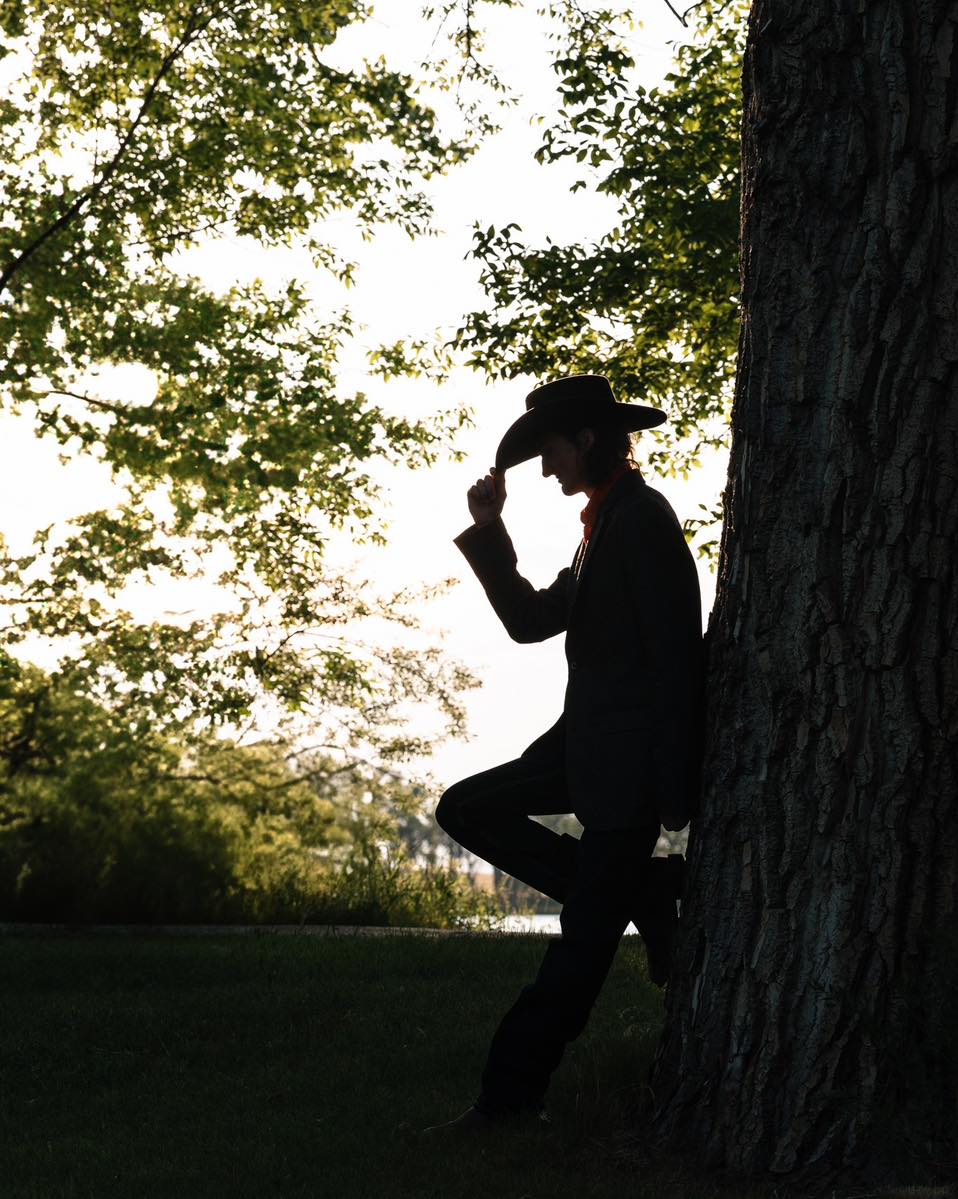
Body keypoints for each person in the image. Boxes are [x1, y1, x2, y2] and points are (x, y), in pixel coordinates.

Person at [424, 374, 705, 1135]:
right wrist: (490, 529)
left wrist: (671, 786)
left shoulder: (640, 520)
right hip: (585, 748)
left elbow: (676, 655)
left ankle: (507, 1100)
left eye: (549, 452)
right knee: (465, 808)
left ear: (585, 439)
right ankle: (648, 891)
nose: (545, 469)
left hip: (626, 769)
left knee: (578, 953)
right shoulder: (601, 525)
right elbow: (528, 620)